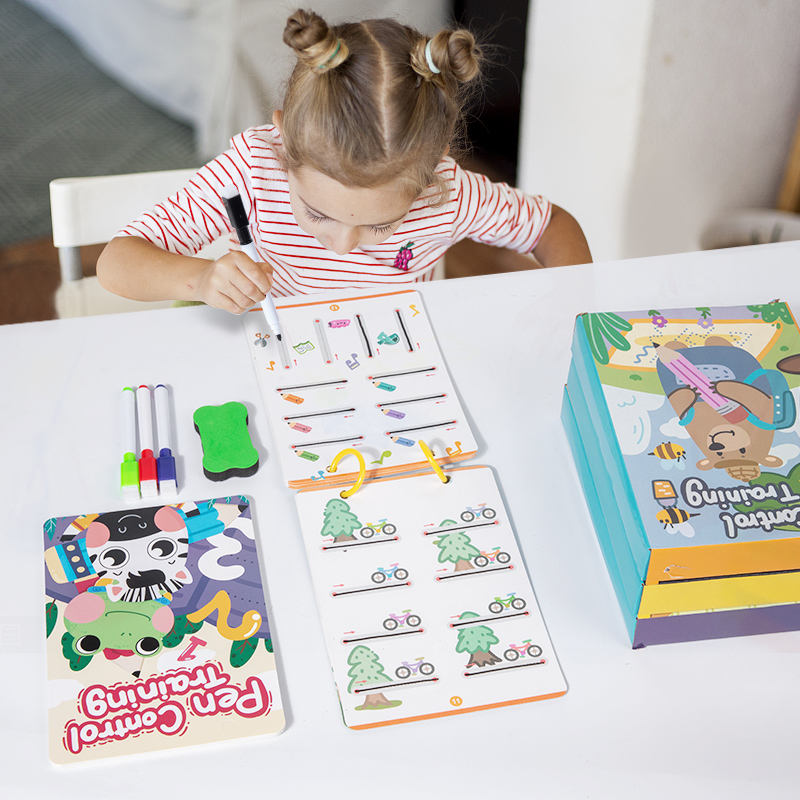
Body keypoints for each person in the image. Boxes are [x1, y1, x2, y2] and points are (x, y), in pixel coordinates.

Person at [97, 9, 591, 314]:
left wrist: (575, 314)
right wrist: (202, 279)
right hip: (271, 353)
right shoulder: (254, 168)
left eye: (380, 226)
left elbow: (552, 227)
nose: (344, 244)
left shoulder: (448, 193)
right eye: (317, 214)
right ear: (283, 142)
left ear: (432, 170)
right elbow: (117, 262)